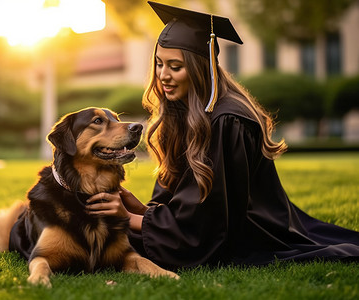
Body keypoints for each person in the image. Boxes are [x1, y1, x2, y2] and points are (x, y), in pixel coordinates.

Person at [86, 1, 359, 270]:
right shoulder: (183, 110)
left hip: (244, 233)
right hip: (202, 228)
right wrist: (139, 209)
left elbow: (208, 221)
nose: (163, 76)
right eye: (159, 64)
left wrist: (129, 218)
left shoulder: (227, 120)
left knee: (114, 241)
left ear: (199, 67)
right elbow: (187, 205)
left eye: (175, 66)